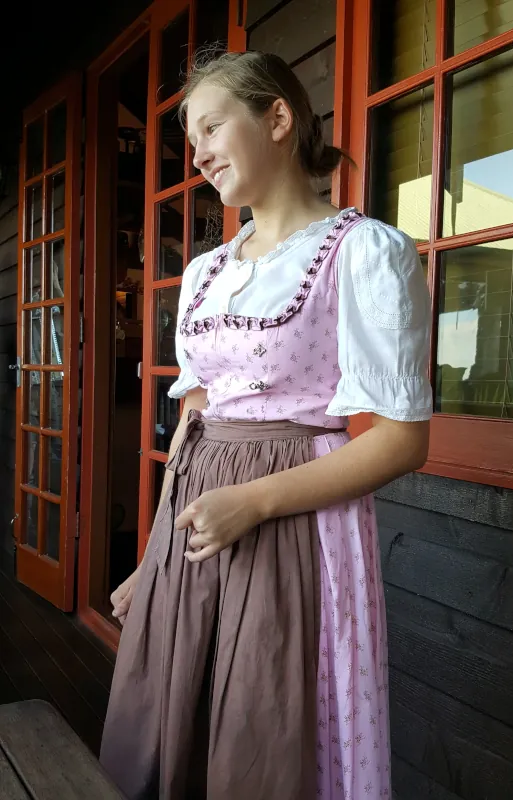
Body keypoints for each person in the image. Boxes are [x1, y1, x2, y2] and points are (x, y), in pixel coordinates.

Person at [100, 50, 432, 800]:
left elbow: (402, 439)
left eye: (212, 127)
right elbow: (193, 425)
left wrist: (253, 501)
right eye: (192, 139)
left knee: (262, 725)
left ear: (277, 118)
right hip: (199, 526)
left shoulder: (363, 253)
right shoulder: (206, 272)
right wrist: (154, 559)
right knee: (170, 719)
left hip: (295, 529)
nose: (200, 153)